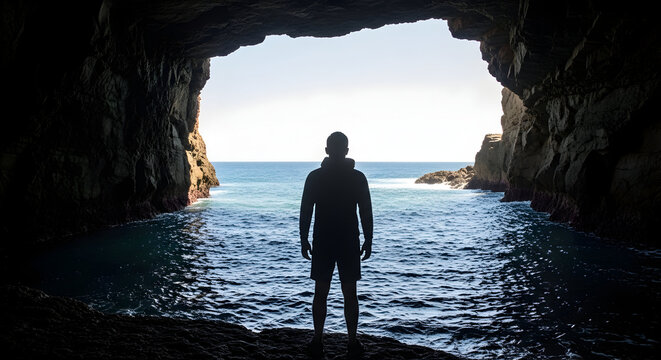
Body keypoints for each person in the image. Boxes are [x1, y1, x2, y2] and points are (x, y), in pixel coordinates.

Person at [299, 131, 373, 357]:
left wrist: (304, 239)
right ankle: (352, 341)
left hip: (323, 240)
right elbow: (366, 212)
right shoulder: (358, 177)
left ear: (327, 151)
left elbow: (305, 211)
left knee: (320, 292)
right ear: (347, 151)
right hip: (349, 240)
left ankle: (317, 340)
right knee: (350, 293)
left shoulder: (315, 177)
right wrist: (368, 239)